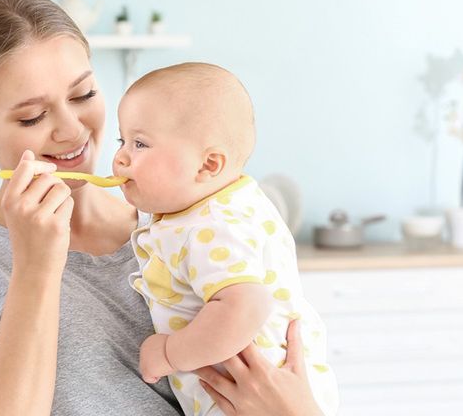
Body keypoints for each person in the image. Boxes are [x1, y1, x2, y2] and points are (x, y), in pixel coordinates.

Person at [0, 0, 323, 416]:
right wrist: (36, 268)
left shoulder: (192, 225)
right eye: (32, 116)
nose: (71, 130)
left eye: (83, 95)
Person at [112, 63, 339, 416]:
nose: (121, 156)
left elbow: (246, 307)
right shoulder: (224, 202)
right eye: (122, 140)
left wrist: (169, 352)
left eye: (140, 143)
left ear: (208, 166)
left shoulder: (214, 225)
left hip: (252, 397)